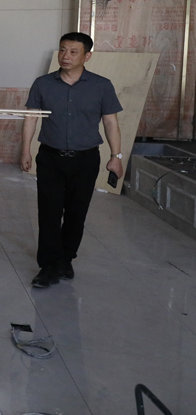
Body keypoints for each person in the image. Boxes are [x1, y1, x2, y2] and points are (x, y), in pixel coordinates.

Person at [19, 32, 123, 289]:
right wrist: (25, 150)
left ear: (87, 56)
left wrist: (115, 156)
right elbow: (31, 118)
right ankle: (48, 266)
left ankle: (66, 259)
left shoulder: (101, 85)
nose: (66, 56)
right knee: (49, 212)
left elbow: (110, 122)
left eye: (73, 52)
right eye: (63, 50)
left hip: (85, 159)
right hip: (50, 158)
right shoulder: (43, 84)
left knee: (77, 212)